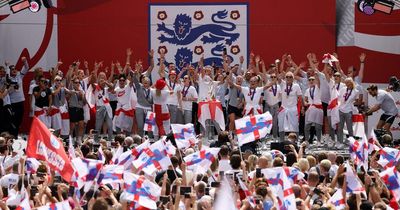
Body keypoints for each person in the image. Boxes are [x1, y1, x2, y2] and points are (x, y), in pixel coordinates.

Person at [5, 57, 29, 136]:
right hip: (13, 103)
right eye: (12, 69)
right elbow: (7, 80)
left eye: (15, 69)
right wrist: (7, 67)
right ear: (10, 71)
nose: (14, 70)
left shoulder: (19, 76)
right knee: (13, 120)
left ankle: (15, 135)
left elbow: (26, 68)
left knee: (19, 120)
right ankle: (11, 136)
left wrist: (25, 61)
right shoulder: (8, 79)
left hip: (20, 102)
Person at [278, 72, 303, 141]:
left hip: (293, 108)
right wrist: (277, 67)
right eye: (287, 77)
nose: (288, 78)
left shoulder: (296, 86)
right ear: (285, 78)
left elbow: (300, 97)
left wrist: (302, 107)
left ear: (293, 78)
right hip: (283, 108)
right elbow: (278, 77)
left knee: (294, 126)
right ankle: (281, 141)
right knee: (281, 125)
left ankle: (296, 141)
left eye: (290, 77)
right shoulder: (282, 84)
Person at [337, 77, 359, 148]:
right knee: (340, 127)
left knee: (350, 127)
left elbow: (357, 100)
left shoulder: (356, 91)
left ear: (352, 82)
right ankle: (340, 142)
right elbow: (338, 98)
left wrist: (352, 104)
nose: (347, 84)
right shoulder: (343, 89)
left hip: (349, 110)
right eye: (346, 82)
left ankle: (351, 142)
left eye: (348, 82)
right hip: (341, 109)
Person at [304, 76, 324, 146]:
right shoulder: (307, 90)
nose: (311, 81)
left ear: (315, 80)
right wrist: (305, 103)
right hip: (310, 108)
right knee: (307, 126)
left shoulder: (318, 88)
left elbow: (318, 81)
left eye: (313, 79)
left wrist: (316, 74)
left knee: (318, 126)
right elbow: (305, 99)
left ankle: (319, 141)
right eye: (309, 80)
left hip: (318, 108)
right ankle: (306, 141)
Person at [68, 77, 86, 145]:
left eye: (79, 82)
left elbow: (84, 103)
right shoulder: (71, 90)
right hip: (73, 108)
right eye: (76, 82)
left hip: (80, 109)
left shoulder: (82, 91)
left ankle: (79, 139)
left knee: (81, 124)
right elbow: (67, 97)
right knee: (72, 125)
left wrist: (82, 95)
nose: (78, 84)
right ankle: (70, 139)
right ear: (73, 84)